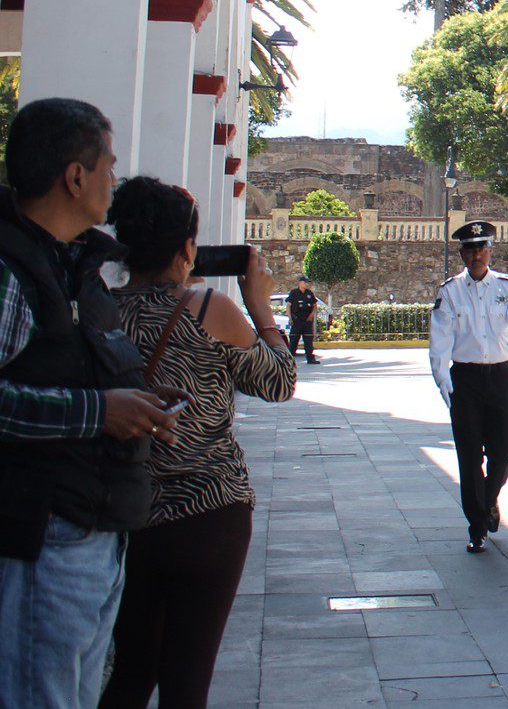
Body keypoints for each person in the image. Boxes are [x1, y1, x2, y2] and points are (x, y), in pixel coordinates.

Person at [0, 99, 181, 709]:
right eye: (108, 165)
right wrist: (98, 412)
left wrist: (134, 402)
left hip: (91, 524)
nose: (115, 179)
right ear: (74, 177)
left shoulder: (77, 268)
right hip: (40, 530)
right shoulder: (12, 269)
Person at [99, 178, 296, 709]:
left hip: (128, 514)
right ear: (187, 248)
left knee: (132, 669)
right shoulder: (209, 309)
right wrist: (260, 308)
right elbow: (277, 382)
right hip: (210, 514)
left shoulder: (98, 313)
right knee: (188, 681)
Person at [428, 221, 508, 553]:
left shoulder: (507, 285)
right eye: (470, 250)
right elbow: (440, 343)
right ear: (462, 254)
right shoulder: (449, 292)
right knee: (469, 455)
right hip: (467, 380)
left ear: (490, 251)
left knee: (504, 451)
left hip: (501, 377)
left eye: (481, 249)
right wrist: (445, 385)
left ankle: (489, 500)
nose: (476, 255)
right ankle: (476, 526)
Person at [283, 277, 322, 364]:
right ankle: (289, 360)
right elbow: (288, 305)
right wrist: (290, 318)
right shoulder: (294, 293)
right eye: (305, 282)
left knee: (308, 340)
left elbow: (314, 305)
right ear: (300, 283)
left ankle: (310, 359)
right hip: (297, 321)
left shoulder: (309, 293)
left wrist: (311, 315)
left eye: (307, 283)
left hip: (307, 321)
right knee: (293, 341)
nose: (307, 284)